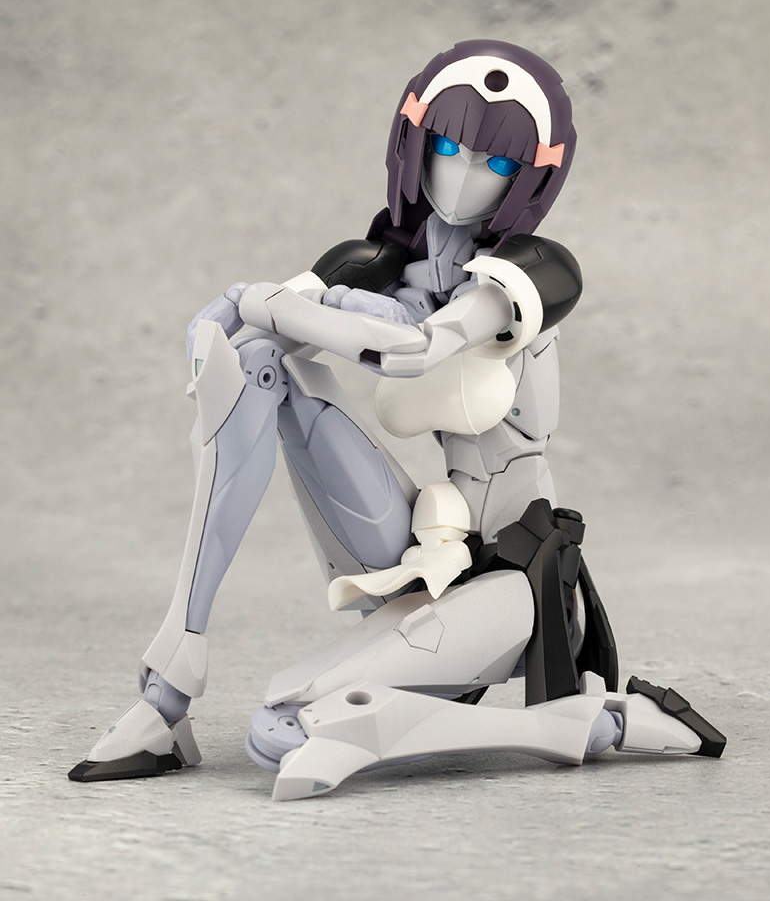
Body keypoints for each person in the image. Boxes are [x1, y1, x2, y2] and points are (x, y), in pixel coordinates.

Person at [70, 41, 724, 800]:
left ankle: (590, 724)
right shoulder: (386, 264)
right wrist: (242, 323)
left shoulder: (534, 273)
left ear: (530, 177)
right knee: (254, 362)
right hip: (423, 548)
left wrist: (253, 298)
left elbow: (413, 348)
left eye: (495, 162)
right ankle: (169, 683)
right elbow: (278, 324)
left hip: (511, 583)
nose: (464, 175)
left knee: (280, 729)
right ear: (415, 142)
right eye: (447, 147)